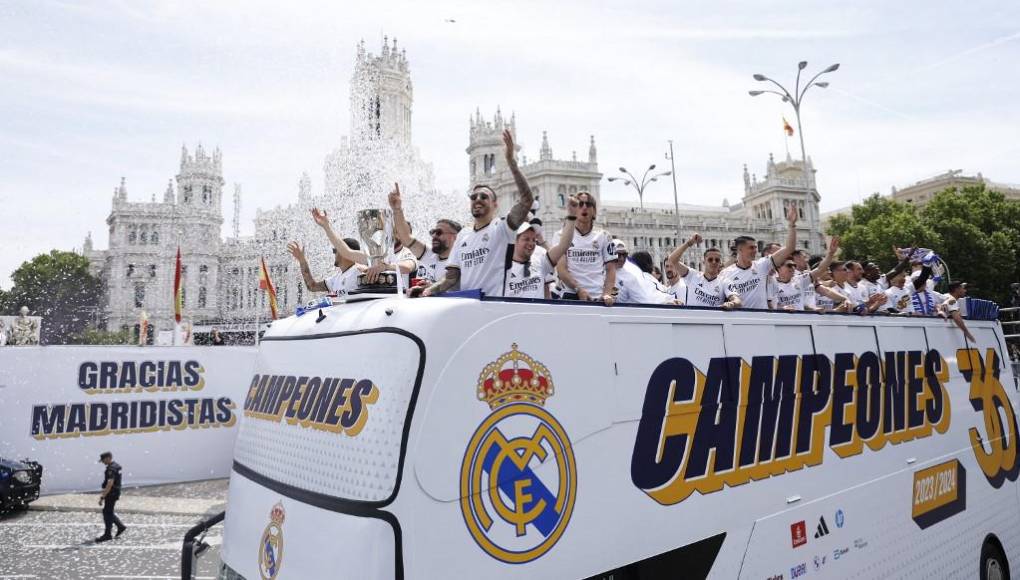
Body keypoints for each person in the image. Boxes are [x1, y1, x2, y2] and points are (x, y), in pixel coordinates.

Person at [413, 129, 534, 297]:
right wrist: (428, 290)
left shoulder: (502, 228)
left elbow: (527, 200)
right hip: (468, 308)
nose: (478, 199)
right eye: (474, 196)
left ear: (495, 204)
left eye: (484, 197)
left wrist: (511, 162)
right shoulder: (463, 235)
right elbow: (450, 278)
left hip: (494, 307)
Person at [720, 205, 799, 309]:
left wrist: (791, 224)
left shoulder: (762, 265)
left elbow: (789, 248)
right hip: (740, 321)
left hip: (762, 319)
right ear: (740, 249)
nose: (755, 250)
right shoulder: (726, 273)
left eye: (756, 247)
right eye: (751, 248)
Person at [388, 183, 462, 286]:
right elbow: (406, 238)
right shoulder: (431, 256)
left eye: (439, 232)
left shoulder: (463, 260)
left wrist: (431, 287)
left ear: (456, 237)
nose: (434, 236)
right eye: (433, 232)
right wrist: (397, 210)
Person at [553, 191, 617, 305]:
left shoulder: (604, 236)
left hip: (597, 297)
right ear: (574, 209)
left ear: (594, 211)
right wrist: (578, 289)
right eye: (580, 204)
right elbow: (561, 270)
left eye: (588, 204)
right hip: (571, 294)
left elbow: (611, 269)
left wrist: (607, 293)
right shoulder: (560, 235)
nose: (584, 207)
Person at [503, 200, 577, 299]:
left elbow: (563, 246)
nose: (531, 243)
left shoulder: (540, 261)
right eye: (526, 239)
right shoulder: (501, 266)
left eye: (533, 239)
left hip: (537, 313)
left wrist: (571, 217)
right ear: (514, 240)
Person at [665, 234, 741, 310]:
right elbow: (672, 259)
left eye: (717, 260)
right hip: (692, 318)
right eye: (710, 260)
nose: (714, 262)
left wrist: (732, 303)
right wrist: (689, 243)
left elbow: (737, 300)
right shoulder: (693, 276)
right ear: (704, 262)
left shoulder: (725, 282)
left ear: (720, 263)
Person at [288, 239, 365, 298]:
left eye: (335, 250)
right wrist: (302, 261)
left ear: (344, 252)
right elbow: (312, 286)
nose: (334, 254)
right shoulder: (336, 278)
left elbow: (369, 271)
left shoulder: (358, 271)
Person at [95, 451, 126, 542]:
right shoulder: (116, 466)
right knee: (108, 511)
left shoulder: (111, 469)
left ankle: (107, 534)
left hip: (111, 493)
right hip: (115, 492)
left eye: (103, 460)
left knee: (107, 513)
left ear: (109, 458)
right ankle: (120, 526)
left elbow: (110, 484)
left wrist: (102, 496)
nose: (103, 462)